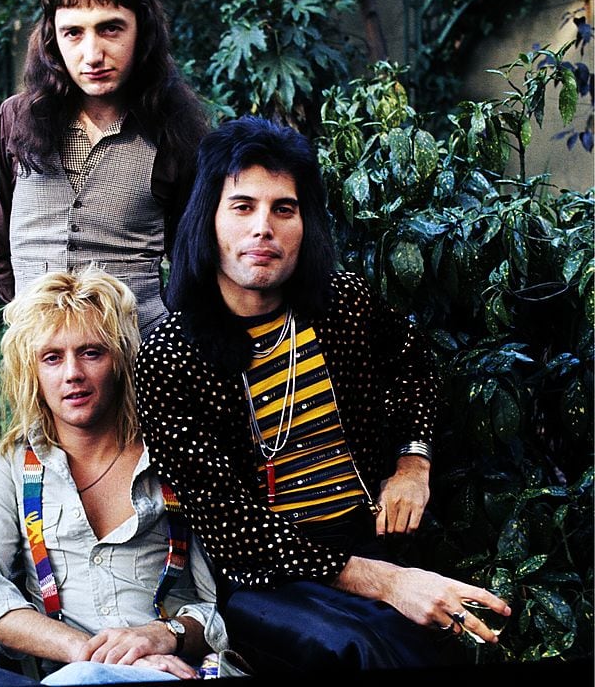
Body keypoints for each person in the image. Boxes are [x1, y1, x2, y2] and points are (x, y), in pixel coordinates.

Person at [135, 116, 512, 672]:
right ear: (206, 220)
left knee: (480, 626)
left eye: (283, 209)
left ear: (305, 222)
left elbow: (414, 364)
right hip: (268, 581)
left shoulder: (341, 304)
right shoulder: (170, 357)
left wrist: (413, 462)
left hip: (374, 540)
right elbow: (232, 530)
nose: (264, 227)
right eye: (242, 206)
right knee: (365, 649)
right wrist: (390, 585)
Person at [0, 267, 231, 684]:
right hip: (65, 674)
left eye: (91, 352)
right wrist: (86, 652)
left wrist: (162, 635)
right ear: (33, 373)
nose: (72, 374)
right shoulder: (15, 464)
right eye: (52, 357)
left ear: (120, 360)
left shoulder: (172, 451)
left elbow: (221, 604)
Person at [0, 0, 209, 339]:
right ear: (53, 37)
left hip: (138, 357)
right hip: (41, 357)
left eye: (110, 28)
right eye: (73, 33)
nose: (92, 54)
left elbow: (191, 259)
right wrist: (34, 322)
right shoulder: (15, 119)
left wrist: (153, 333)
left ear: (143, 31)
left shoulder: (173, 131)